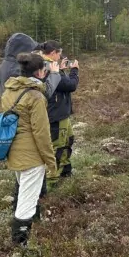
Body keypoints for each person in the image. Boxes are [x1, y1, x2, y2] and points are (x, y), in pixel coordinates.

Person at [1, 53, 57, 246]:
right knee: (26, 202)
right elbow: (42, 134)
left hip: (14, 153)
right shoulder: (36, 96)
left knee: (24, 193)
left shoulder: (9, 91)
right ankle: (20, 244)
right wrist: (51, 161)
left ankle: (31, 231)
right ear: (40, 72)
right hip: (31, 158)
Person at [39, 41, 79, 182]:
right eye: (59, 53)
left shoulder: (49, 65)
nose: (60, 56)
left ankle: (65, 169)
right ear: (53, 53)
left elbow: (59, 84)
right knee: (58, 145)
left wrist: (61, 70)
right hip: (55, 113)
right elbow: (69, 85)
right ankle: (52, 179)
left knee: (68, 140)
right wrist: (74, 70)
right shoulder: (48, 66)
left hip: (61, 112)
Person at [0, 33, 60, 98]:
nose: (31, 54)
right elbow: (41, 94)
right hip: (24, 107)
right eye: (30, 51)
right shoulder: (18, 70)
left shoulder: (5, 65)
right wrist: (54, 74)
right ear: (23, 51)